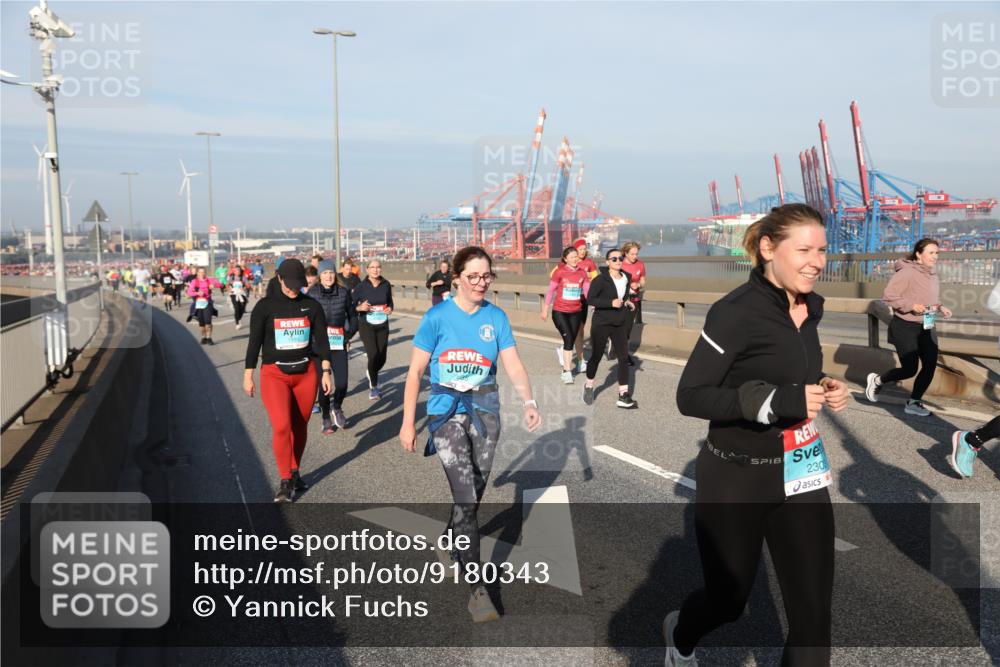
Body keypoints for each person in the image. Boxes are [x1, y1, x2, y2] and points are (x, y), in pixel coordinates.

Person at [666, 203, 850, 667]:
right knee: (728, 602)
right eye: (804, 249)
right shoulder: (735, 313)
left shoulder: (811, 307)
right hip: (736, 476)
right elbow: (690, 395)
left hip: (800, 474)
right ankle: (680, 633)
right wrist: (773, 403)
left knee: (813, 621)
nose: (817, 261)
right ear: (769, 248)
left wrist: (823, 381)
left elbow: (787, 367)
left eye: (823, 250)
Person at [399, 246, 541, 623]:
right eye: (474, 276)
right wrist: (406, 422)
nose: (482, 283)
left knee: (474, 492)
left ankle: (450, 536)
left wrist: (529, 401)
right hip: (445, 412)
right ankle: (476, 588)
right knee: (464, 494)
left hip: (485, 412)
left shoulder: (495, 318)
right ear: (457, 278)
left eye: (487, 276)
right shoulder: (436, 317)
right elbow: (415, 372)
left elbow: (511, 362)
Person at [244, 259, 332, 503]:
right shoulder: (264, 307)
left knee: (300, 425)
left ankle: (295, 471)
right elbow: (254, 342)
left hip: (306, 374)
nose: (294, 289)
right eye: (290, 284)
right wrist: (248, 373)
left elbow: (323, 342)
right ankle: (285, 481)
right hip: (275, 374)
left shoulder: (311, 306)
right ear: (280, 279)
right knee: (282, 426)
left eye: (299, 285)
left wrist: (326, 371)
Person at [864, 238, 952, 416]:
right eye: (931, 253)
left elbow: (930, 297)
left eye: (937, 253)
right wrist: (911, 305)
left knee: (929, 365)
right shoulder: (907, 272)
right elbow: (889, 296)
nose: (935, 256)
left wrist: (940, 307)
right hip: (905, 326)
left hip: (927, 323)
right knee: (910, 369)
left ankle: (914, 402)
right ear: (919, 254)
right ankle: (878, 380)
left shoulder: (932, 274)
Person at [581, 248, 638, 408]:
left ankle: (623, 395)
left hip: (619, 322)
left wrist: (626, 301)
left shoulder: (626, 276)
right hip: (602, 322)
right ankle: (589, 385)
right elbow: (590, 299)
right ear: (607, 262)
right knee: (596, 356)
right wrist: (610, 303)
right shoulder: (600, 279)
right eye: (614, 259)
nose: (618, 261)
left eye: (620, 258)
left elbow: (623, 294)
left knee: (623, 357)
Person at [307, 259, 356, 433]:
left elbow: (353, 317)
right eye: (325, 273)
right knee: (324, 386)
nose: (328, 276)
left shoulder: (343, 293)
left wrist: (348, 335)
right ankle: (326, 417)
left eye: (331, 272)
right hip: (318, 348)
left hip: (338, 345)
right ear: (320, 275)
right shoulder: (311, 294)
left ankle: (337, 407)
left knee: (342, 384)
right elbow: (306, 320)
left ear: (335, 274)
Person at [542, 246, 590, 384]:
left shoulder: (582, 273)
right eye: (572, 257)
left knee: (572, 338)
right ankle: (567, 371)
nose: (575, 259)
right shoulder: (560, 272)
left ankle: (565, 357)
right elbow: (551, 291)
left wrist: (593, 304)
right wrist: (545, 309)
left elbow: (587, 291)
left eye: (576, 257)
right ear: (565, 259)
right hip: (560, 312)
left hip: (576, 311)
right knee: (569, 339)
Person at [353, 259, 393, 400]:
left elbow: (389, 302)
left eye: (378, 267)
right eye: (372, 267)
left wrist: (390, 309)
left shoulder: (386, 284)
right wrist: (359, 308)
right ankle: (374, 387)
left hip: (382, 325)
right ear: (367, 270)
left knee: (382, 356)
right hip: (366, 325)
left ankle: (372, 371)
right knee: (373, 353)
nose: (375, 270)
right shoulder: (361, 287)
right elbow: (350, 305)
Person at [621, 241, 647, 365]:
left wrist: (638, 284)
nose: (634, 256)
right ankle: (619, 348)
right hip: (621, 301)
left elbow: (643, 282)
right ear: (625, 253)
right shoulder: (619, 265)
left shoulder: (640, 265)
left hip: (634, 300)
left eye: (636, 254)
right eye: (632, 254)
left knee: (628, 328)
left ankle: (624, 354)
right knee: (620, 326)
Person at [187, 267, 222, 344]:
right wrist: (197, 293)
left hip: (208, 303)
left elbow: (220, 284)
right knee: (202, 324)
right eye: (200, 272)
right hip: (198, 304)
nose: (202, 274)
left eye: (203, 272)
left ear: (205, 273)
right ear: (197, 273)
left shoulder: (210, 280)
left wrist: (214, 285)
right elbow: (189, 292)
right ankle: (203, 337)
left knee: (208, 322)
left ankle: (209, 338)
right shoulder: (194, 282)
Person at [228, 265, 250, 329]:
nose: (238, 272)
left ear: (240, 271)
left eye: (239, 270)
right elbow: (227, 285)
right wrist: (230, 290)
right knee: (237, 308)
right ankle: (237, 323)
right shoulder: (231, 277)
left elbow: (248, 285)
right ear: (234, 271)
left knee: (242, 308)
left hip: (241, 293)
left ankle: (239, 318)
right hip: (234, 294)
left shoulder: (243, 277)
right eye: (236, 270)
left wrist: (245, 287)